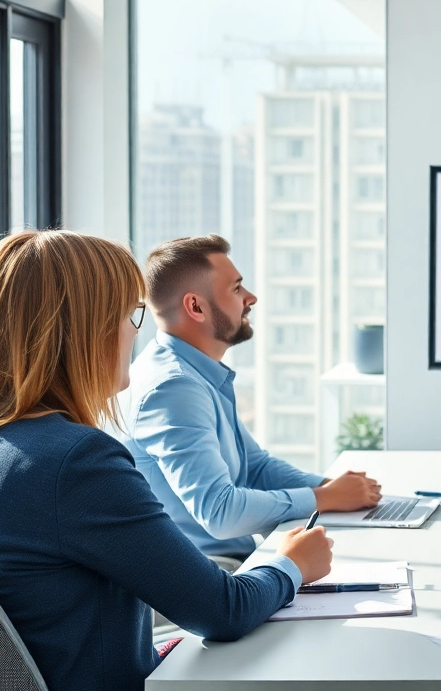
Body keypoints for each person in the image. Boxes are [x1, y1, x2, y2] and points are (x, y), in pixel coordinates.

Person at [0, 230, 334, 691]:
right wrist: (293, 564)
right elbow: (224, 610)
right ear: (86, 328)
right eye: (132, 314)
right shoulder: (76, 462)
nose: (136, 330)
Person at [121, 235, 380, 566]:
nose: (251, 297)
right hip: (211, 570)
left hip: (232, 561)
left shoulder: (195, 373)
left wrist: (336, 489)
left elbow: (255, 467)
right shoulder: (173, 388)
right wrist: (323, 497)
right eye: (236, 288)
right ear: (196, 307)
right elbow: (220, 512)